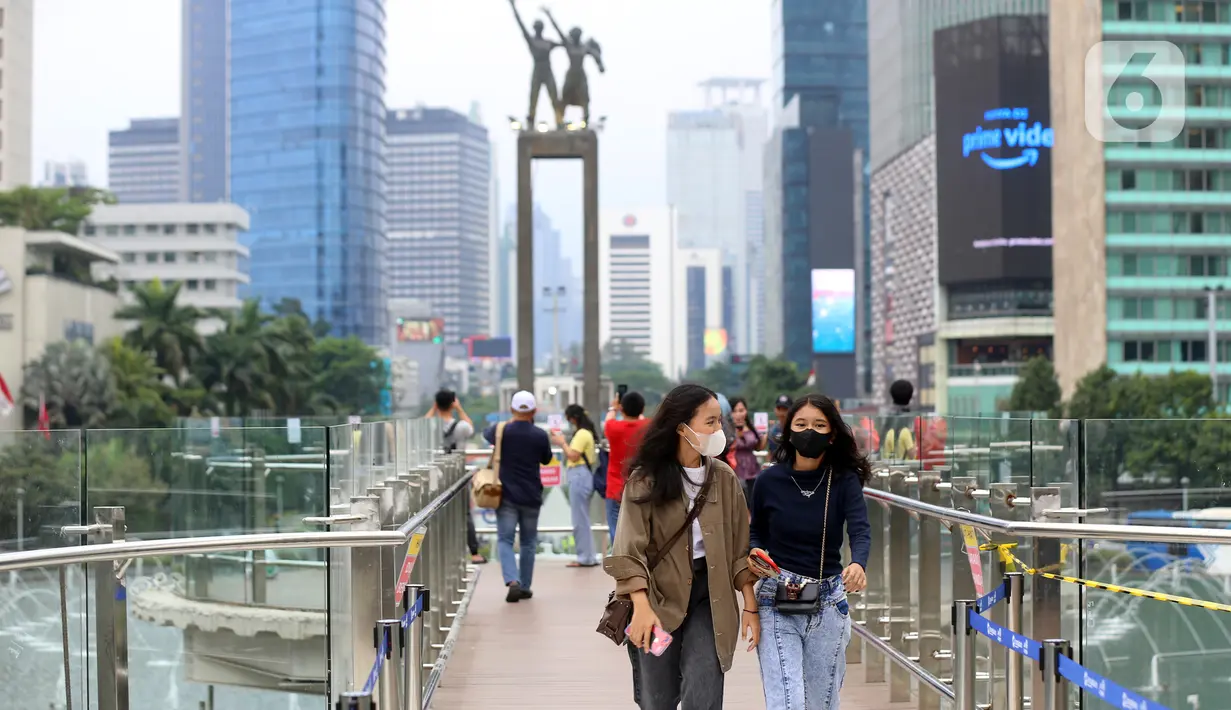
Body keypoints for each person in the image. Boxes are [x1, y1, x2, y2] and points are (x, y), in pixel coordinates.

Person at [605, 384, 758, 710]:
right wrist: (641, 607)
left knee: (702, 691)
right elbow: (627, 550)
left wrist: (750, 605)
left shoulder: (724, 478)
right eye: (711, 422)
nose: (719, 430)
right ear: (681, 427)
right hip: (656, 597)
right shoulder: (645, 481)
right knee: (656, 698)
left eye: (720, 421)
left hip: (710, 596)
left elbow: (739, 552)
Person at [748, 393, 872, 709]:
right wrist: (755, 552)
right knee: (787, 702)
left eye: (819, 425)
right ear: (789, 431)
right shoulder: (768, 479)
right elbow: (757, 530)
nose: (809, 431)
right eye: (801, 424)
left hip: (828, 601)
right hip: (777, 596)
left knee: (821, 703)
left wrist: (858, 564)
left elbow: (860, 529)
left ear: (832, 435)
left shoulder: (844, 480)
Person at [483, 391, 553, 602]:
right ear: (534, 411)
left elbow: (486, 434)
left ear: (512, 409)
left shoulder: (501, 430)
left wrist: (510, 421)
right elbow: (547, 459)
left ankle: (512, 581)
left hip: (506, 495)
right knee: (528, 542)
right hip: (531, 496)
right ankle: (525, 585)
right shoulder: (540, 435)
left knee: (505, 539)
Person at [427, 390, 485, 564]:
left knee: (434, 511)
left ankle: (437, 552)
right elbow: (470, 427)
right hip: (457, 474)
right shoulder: (460, 427)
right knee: (465, 513)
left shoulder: (431, 426)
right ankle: (474, 553)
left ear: (437, 404)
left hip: (435, 475)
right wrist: (459, 409)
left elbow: (422, 423)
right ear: (453, 403)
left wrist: (433, 408)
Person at [552, 403, 600, 568]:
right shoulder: (587, 433)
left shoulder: (581, 434)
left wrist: (561, 443)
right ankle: (588, 555)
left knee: (579, 519)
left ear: (573, 418)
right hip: (584, 475)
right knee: (583, 518)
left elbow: (573, 455)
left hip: (579, 475)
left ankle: (584, 557)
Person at [603, 391, 648, 542]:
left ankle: (619, 564)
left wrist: (613, 408)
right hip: (643, 487)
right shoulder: (648, 427)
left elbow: (609, 419)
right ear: (642, 409)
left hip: (616, 488)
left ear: (622, 409)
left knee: (616, 536)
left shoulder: (613, 428)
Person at [729, 397, 765, 509]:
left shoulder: (751, 427)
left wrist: (764, 437)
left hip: (752, 468)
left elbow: (758, 447)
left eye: (741, 410)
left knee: (754, 501)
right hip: (735, 467)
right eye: (734, 411)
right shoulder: (727, 429)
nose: (738, 414)